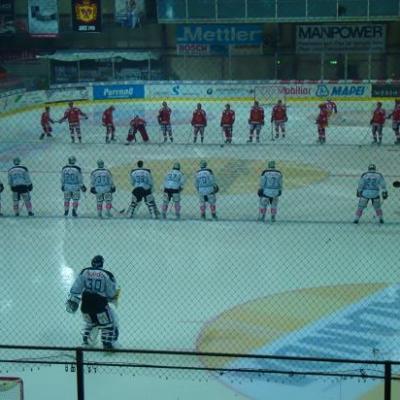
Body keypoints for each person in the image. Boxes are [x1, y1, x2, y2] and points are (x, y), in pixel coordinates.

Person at [66, 255, 120, 350]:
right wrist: (112, 297)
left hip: (86, 304)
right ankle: (108, 345)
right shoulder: (107, 274)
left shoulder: (85, 272)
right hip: (100, 304)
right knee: (108, 324)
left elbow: (75, 289)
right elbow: (111, 293)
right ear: (102, 263)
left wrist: (73, 299)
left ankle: (86, 343)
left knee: (91, 323)